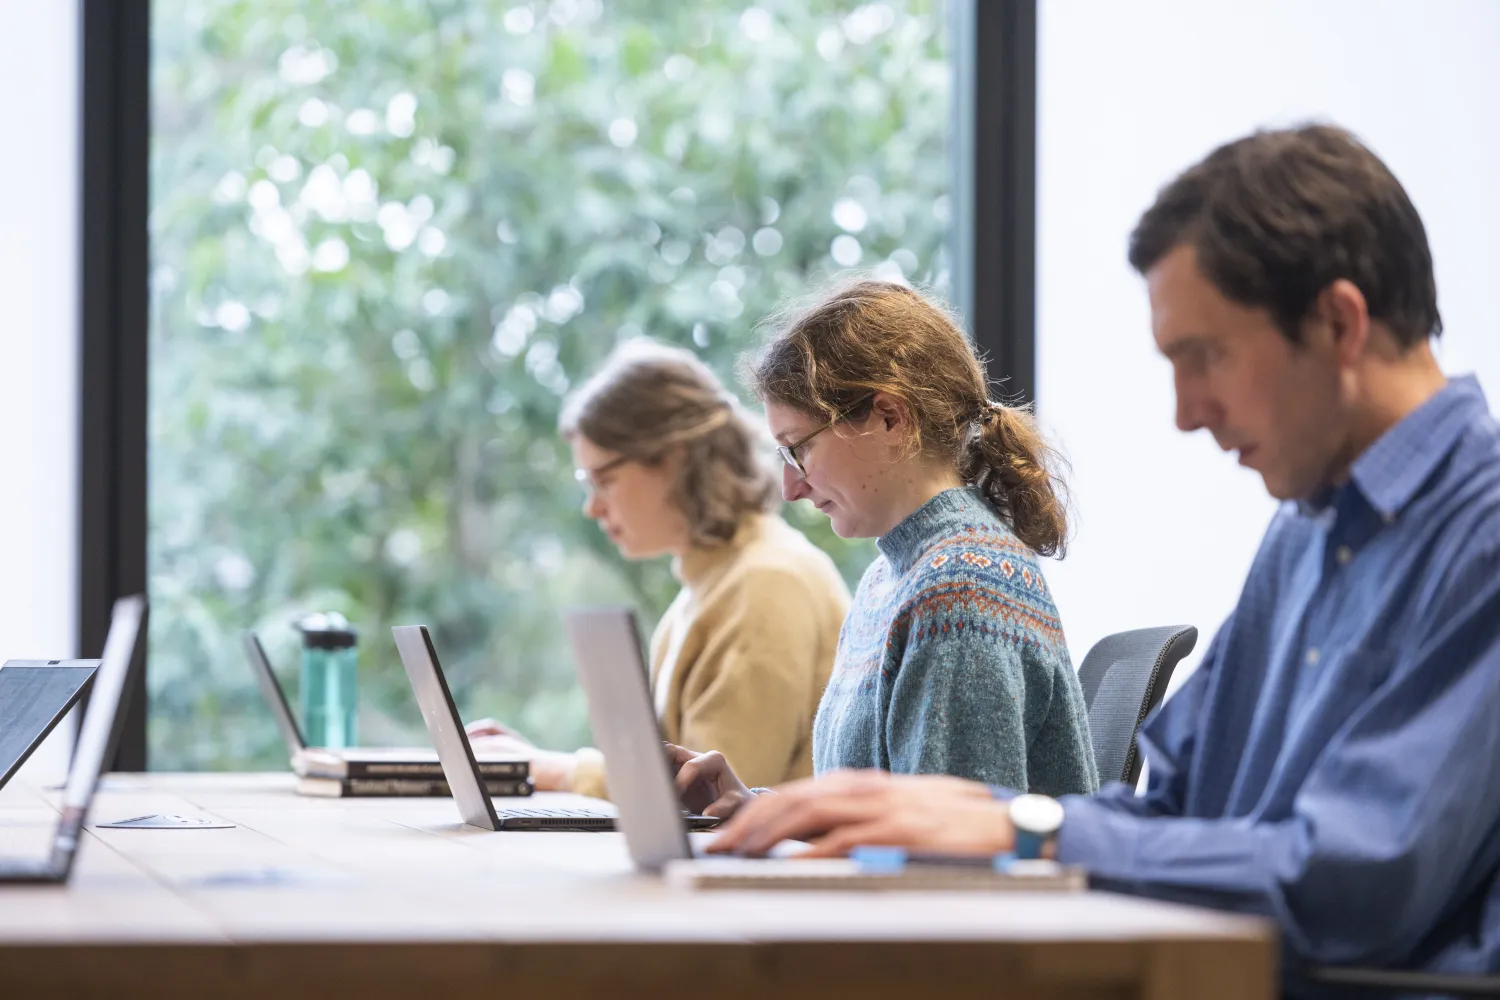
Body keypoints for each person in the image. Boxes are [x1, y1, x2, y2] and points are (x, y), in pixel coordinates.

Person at [707, 124, 1500, 987]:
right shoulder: (1307, 528)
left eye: (1206, 358)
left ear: (1339, 323)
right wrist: (964, 815)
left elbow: (1356, 882)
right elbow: (1171, 807)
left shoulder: (1480, 538)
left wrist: (1021, 829)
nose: (1186, 412)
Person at [670, 280, 1099, 820]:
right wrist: (756, 809)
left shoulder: (960, 589)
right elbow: (898, 820)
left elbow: (949, 862)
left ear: (889, 418)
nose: (790, 486)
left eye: (798, 450)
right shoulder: (891, 576)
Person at [468, 339, 851, 798]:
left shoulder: (768, 584)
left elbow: (708, 796)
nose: (592, 507)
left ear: (674, 459)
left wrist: (555, 772)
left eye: (603, 480)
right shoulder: (712, 584)